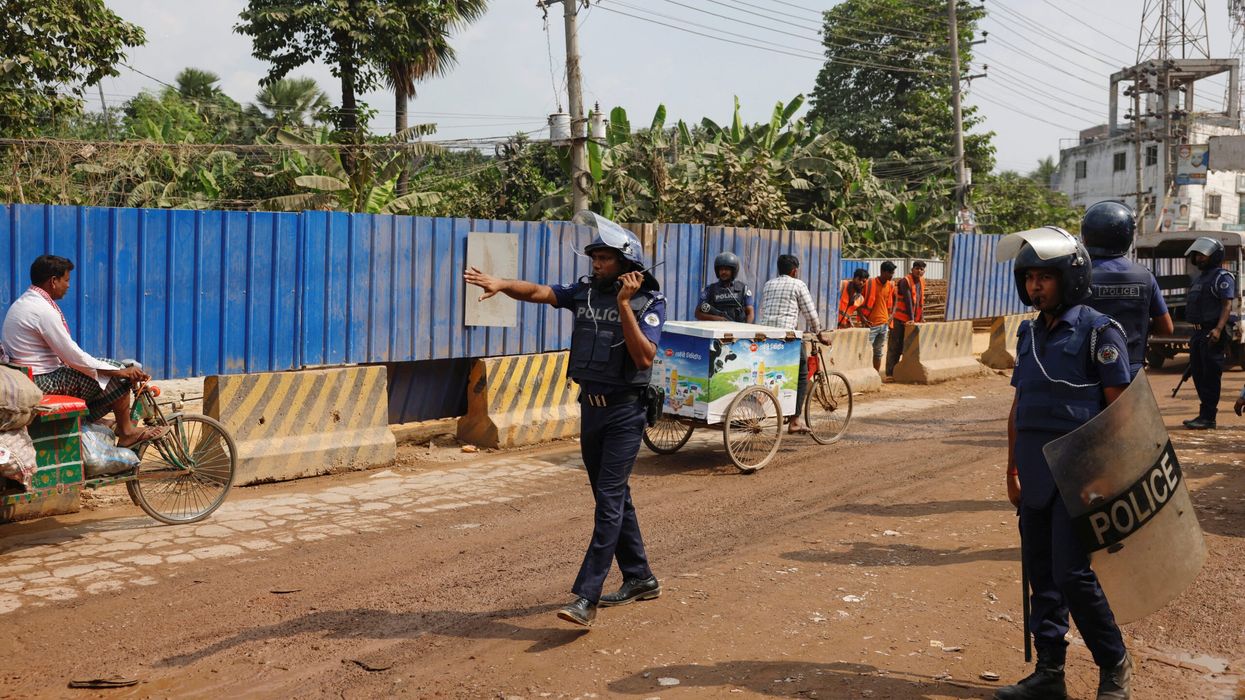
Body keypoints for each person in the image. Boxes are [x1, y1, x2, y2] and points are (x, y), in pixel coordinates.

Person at [463, 212, 663, 628]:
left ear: (626, 264)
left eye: (605, 259)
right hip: (591, 407)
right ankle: (641, 577)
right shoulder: (584, 293)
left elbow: (644, 357)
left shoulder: (648, 302)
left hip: (626, 411)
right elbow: (540, 291)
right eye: (595, 258)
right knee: (612, 498)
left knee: (609, 502)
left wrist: (624, 305)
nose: (597, 264)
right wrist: (502, 284)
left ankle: (586, 597)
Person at [998, 227, 1132, 700]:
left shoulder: (1100, 332)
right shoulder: (1029, 333)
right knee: (1041, 574)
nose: (1035, 286)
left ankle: (1114, 664)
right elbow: (1020, 407)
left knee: (1072, 575)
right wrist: (1011, 469)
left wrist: (1106, 477)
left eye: (1045, 277)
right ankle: (1049, 672)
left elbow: (1120, 413)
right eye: (1029, 278)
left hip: (1080, 477)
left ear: (1070, 278)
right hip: (1034, 475)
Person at [1, 255, 168, 447]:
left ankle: (96, 420)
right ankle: (127, 431)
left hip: (28, 376)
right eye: (66, 280)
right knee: (119, 376)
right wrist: (119, 371)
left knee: (105, 370)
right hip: (42, 380)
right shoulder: (42, 310)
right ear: (53, 281)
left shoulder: (24, 302)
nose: (68, 285)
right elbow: (73, 357)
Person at [1080, 201, 1173, 378]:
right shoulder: (1145, 277)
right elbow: (1166, 328)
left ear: (1086, 236)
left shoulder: (1078, 276)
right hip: (1131, 371)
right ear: (1128, 235)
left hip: (1087, 371)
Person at [758, 254, 832, 434]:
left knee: (767, 373)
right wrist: (820, 334)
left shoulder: (768, 284)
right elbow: (810, 314)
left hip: (767, 338)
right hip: (787, 339)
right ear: (794, 271)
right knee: (802, 374)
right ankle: (795, 420)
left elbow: (763, 311)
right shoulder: (798, 285)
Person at [1181, 237, 1235, 430]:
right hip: (1197, 334)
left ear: (1214, 256)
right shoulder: (1200, 278)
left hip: (1211, 333)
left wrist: (1218, 329)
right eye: (1197, 255)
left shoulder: (1222, 277)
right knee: (1198, 374)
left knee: (1210, 376)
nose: (1198, 258)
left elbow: (1227, 305)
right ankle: (1204, 414)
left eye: (1203, 255)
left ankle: (1208, 417)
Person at [884, 260, 926, 378]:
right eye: (917, 268)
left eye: (921, 269)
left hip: (911, 320)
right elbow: (908, 301)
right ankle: (890, 373)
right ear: (912, 269)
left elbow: (919, 301)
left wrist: (921, 317)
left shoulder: (921, 282)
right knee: (895, 347)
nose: (919, 271)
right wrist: (912, 318)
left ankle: (899, 372)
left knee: (906, 347)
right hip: (899, 319)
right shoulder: (905, 281)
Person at [858, 261, 896, 376]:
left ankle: (876, 375)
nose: (892, 275)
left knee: (878, 353)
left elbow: (896, 300)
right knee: (865, 352)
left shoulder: (890, 285)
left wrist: (892, 315)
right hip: (870, 324)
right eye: (890, 273)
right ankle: (864, 375)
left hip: (884, 324)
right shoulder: (869, 283)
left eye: (893, 273)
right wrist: (862, 318)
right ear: (883, 271)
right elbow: (857, 300)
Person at [695, 252, 754, 323]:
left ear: (733, 271)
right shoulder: (710, 289)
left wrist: (745, 327)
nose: (723, 272)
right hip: (716, 328)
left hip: (737, 327)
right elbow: (698, 313)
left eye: (727, 269)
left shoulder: (743, 289)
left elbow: (750, 312)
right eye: (721, 269)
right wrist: (717, 319)